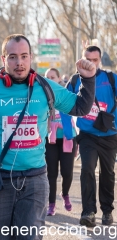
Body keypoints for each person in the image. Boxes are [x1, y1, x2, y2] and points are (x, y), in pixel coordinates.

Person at [0, 34, 96, 239]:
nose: (19, 63)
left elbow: (80, 107)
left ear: (31, 57)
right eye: (13, 57)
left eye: (24, 56)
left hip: (34, 180)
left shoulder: (45, 87)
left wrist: (88, 79)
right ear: (3, 59)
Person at [67, 45, 117, 227]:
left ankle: (107, 211)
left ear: (100, 60)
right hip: (87, 134)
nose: (91, 63)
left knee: (108, 173)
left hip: (109, 134)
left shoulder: (111, 78)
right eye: (88, 59)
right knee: (87, 169)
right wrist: (67, 131)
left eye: (95, 60)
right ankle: (88, 212)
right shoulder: (75, 80)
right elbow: (64, 104)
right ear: (82, 59)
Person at [44, 68, 77, 216]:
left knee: (67, 172)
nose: (50, 79)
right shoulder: (42, 96)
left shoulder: (66, 95)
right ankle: (51, 204)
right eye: (47, 77)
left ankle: (65, 194)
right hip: (50, 139)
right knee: (51, 173)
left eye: (53, 77)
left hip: (67, 136)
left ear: (59, 79)